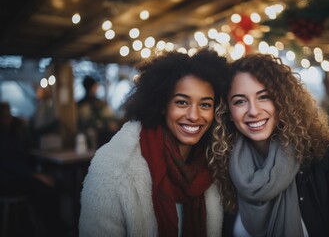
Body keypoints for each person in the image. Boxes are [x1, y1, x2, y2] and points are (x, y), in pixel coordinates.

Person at [208, 54, 329, 237]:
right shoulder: (222, 166)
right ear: (228, 111)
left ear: (282, 101)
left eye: (264, 97)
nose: (253, 111)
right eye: (240, 101)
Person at [79, 49, 229, 236]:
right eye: (182, 102)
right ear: (162, 105)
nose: (193, 116)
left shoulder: (214, 163)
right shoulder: (113, 169)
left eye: (205, 104)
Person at [0, 102, 63, 237]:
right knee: (46, 190)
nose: (8, 116)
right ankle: (51, 229)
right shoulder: (4, 137)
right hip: (8, 183)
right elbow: (11, 164)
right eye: (4, 114)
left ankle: (50, 227)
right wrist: (36, 175)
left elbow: (21, 160)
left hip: (17, 177)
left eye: (8, 112)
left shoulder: (12, 132)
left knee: (51, 185)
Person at [77, 75, 119, 148]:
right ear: (91, 87)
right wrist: (106, 124)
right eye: (95, 86)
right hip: (92, 132)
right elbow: (87, 121)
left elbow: (109, 116)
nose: (97, 87)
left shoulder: (84, 103)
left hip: (99, 130)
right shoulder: (84, 104)